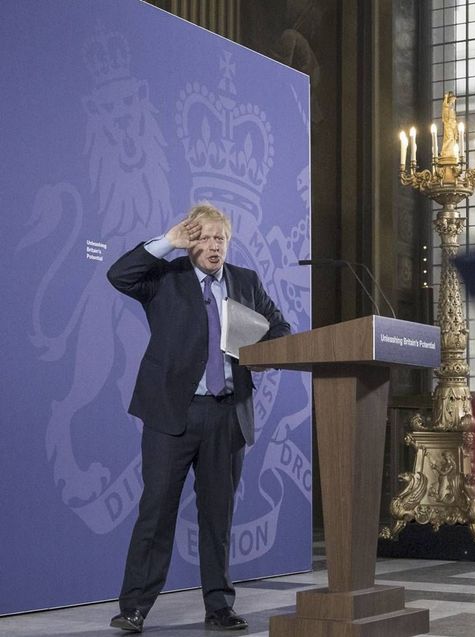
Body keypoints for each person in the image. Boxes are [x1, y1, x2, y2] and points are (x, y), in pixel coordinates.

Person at [106, 203, 291, 632]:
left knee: (218, 518)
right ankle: (133, 607)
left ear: (228, 243)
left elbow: (279, 329)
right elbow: (119, 275)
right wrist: (167, 242)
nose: (213, 246)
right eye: (203, 238)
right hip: (172, 414)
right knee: (155, 513)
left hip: (227, 415)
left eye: (219, 239)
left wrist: (264, 355)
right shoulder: (165, 277)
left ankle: (219, 607)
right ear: (190, 242)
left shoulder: (246, 281)